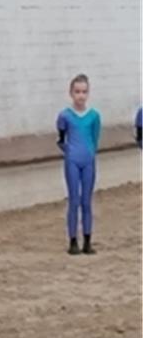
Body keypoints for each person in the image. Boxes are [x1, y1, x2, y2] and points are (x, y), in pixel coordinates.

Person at [56, 74, 101, 255]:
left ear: (88, 93)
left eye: (84, 92)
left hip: (88, 161)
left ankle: (88, 241)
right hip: (72, 161)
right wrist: (70, 152)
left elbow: (95, 138)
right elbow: (60, 139)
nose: (81, 95)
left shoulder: (94, 116)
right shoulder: (65, 115)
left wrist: (90, 153)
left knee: (86, 202)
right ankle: (73, 241)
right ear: (71, 93)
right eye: (77, 91)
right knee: (74, 200)